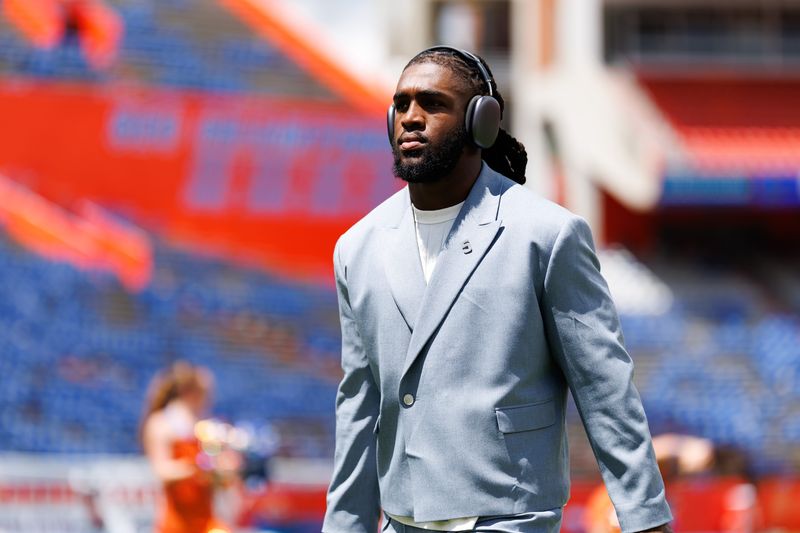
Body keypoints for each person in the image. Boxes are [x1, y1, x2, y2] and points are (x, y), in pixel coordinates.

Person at [322, 46, 674, 533]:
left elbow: (604, 388)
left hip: (508, 521)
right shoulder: (356, 248)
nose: (411, 118)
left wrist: (646, 519)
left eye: (432, 103)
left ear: (481, 122)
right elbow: (358, 406)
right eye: (401, 105)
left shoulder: (546, 234)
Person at [141, 361, 235, 533]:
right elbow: (162, 471)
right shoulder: (161, 423)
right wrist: (197, 467)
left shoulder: (207, 427)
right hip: (176, 522)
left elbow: (223, 481)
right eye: (206, 393)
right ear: (189, 392)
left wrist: (225, 471)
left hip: (206, 522)